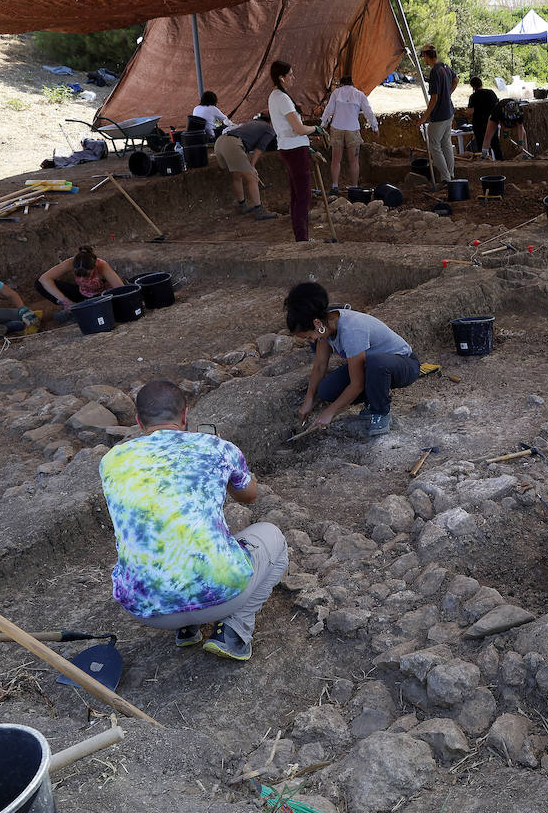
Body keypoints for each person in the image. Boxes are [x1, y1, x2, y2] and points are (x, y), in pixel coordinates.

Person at [99, 380, 287, 661]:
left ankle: (187, 628)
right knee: (274, 538)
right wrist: (226, 464)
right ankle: (234, 631)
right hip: (220, 597)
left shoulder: (112, 461)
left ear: (139, 422)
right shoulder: (216, 447)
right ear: (185, 416)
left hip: (146, 608)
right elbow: (250, 496)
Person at [285, 282, 420, 438]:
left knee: (376, 364)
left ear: (317, 324)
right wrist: (309, 399)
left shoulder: (351, 329)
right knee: (327, 390)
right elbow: (320, 367)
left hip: (404, 364)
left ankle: (380, 412)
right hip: (372, 368)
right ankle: (373, 397)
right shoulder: (325, 326)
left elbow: (357, 384)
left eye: (309, 336)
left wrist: (330, 413)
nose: (311, 341)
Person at [267, 60, 325, 242]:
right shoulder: (282, 98)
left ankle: (301, 236)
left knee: (297, 195)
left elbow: (292, 129)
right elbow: (299, 129)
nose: (293, 78)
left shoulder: (275, 96)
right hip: (294, 150)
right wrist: (316, 129)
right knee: (303, 197)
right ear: (281, 78)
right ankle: (302, 239)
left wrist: (306, 141)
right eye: (290, 75)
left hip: (290, 147)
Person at [320, 75, 378, 195]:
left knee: (336, 160)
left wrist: (323, 123)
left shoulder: (336, 93)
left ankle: (335, 186)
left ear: (341, 84)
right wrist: (375, 127)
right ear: (352, 84)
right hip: (352, 129)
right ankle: (354, 187)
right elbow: (368, 111)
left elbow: (329, 109)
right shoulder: (359, 94)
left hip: (337, 128)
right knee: (354, 161)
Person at [215, 115, 278, 219]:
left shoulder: (252, 122)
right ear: (271, 122)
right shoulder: (269, 129)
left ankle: (243, 206)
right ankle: (259, 211)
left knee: (237, 176)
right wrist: (252, 166)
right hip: (232, 145)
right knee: (252, 178)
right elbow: (259, 148)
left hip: (220, 142)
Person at [35, 245, 123, 317]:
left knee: (100, 307)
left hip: (99, 296)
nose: (82, 279)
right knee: (39, 284)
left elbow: (122, 289)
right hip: (81, 293)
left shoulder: (102, 266)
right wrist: (66, 301)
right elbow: (44, 279)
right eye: (78, 275)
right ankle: (74, 307)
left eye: (86, 275)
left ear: (94, 266)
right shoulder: (71, 262)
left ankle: (79, 310)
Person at [420, 45, 458, 184]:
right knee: (446, 143)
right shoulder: (445, 66)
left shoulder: (435, 71)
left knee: (434, 146)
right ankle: (451, 174)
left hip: (440, 115)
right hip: (449, 112)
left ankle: (446, 177)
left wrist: (424, 117)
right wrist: (448, 94)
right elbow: (456, 80)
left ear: (426, 56)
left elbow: (434, 98)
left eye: (423, 56)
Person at [467, 76, 502, 160]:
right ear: (481, 84)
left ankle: (484, 162)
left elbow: (470, 111)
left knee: (481, 145)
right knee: (495, 144)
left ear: (473, 87)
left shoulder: (473, 96)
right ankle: (500, 162)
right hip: (492, 122)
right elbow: (498, 105)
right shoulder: (491, 93)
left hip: (478, 124)